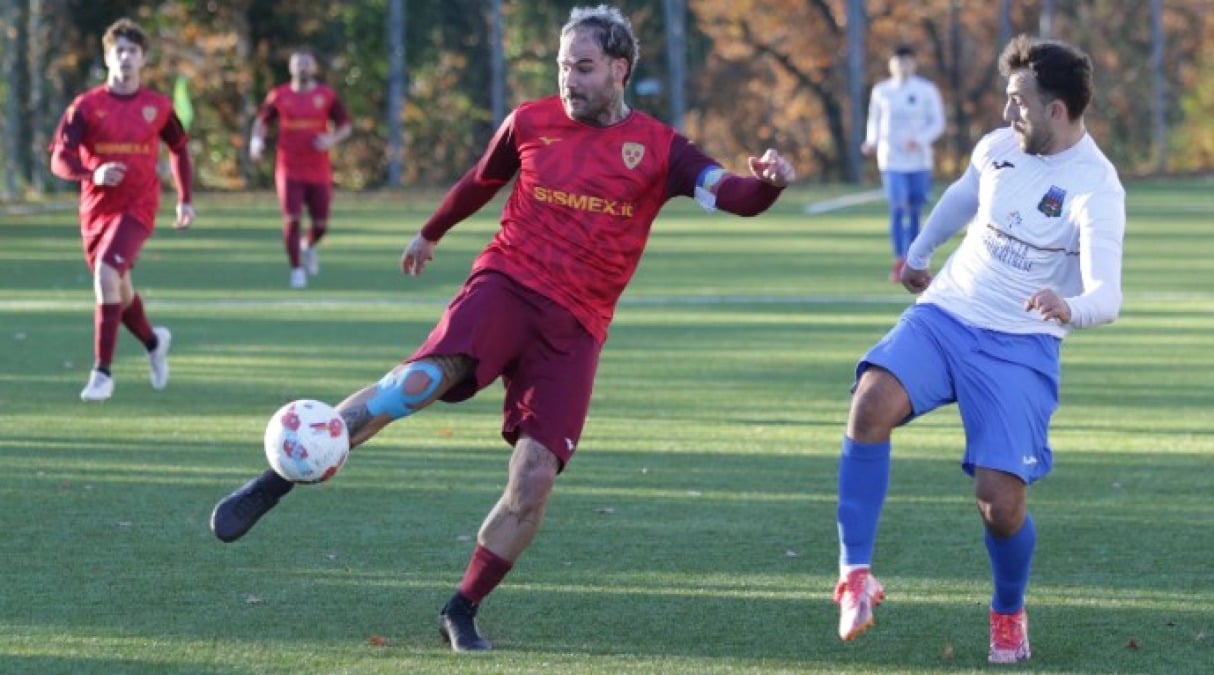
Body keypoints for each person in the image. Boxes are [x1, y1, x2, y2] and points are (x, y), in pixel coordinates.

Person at [212, 4, 795, 653]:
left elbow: (730, 192)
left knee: (534, 479)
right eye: (561, 65)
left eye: (583, 66)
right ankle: (278, 476)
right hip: (505, 286)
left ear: (619, 69)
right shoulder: (531, 121)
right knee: (420, 379)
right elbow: (480, 180)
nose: (568, 78)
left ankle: (461, 607)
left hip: (575, 326)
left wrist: (767, 185)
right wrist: (429, 231)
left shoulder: (660, 149)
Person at [833, 35, 1124, 664]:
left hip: (1020, 347)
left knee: (1001, 504)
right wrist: (919, 251)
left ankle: (1008, 611)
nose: (1006, 113)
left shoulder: (1096, 188)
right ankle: (855, 575)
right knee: (870, 402)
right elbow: (964, 195)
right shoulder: (998, 149)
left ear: (1058, 109)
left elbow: (1109, 294)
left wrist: (1069, 306)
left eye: (1020, 102)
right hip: (948, 313)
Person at [50, 17, 196, 403]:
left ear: (143, 59)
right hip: (95, 211)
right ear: (108, 57)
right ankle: (152, 341)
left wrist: (184, 199)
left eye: (134, 51)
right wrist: (92, 173)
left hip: (138, 206)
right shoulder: (86, 106)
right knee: (117, 286)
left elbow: (180, 149)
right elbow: (60, 159)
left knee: (106, 273)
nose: (127, 57)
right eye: (120, 51)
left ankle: (102, 373)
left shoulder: (158, 106)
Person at [249, 48, 352, 289]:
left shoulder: (326, 96)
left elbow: (345, 125)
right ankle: (296, 270)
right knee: (291, 218)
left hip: (318, 169)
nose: (303, 68)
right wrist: (256, 142)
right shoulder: (279, 96)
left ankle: (308, 246)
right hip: (289, 168)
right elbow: (261, 122)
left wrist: (330, 139)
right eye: (298, 64)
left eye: (307, 64)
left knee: (321, 224)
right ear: (291, 68)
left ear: (314, 68)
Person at [861, 43, 945, 282]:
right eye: (898, 61)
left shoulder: (926, 90)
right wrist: (871, 141)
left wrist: (919, 140)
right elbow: (874, 120)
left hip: (919, 161)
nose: (902, 65)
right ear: (891, 64)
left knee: (915, 208)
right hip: (891, 159)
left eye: (907, 60)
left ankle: (914, 258)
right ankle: (899, 259)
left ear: (914, 63)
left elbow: (937, 123)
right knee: (898, 207)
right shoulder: (882, 91)